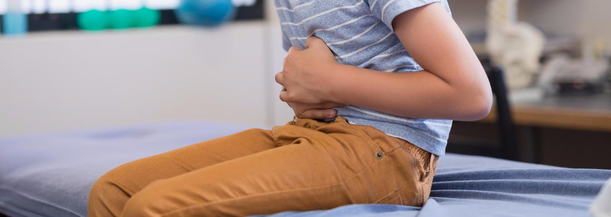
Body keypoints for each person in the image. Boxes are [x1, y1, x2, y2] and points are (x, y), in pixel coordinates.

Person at [88, 0, 492, 216]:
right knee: (115, 191)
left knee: (151, 208)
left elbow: (470, 95)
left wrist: (327, 83)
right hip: (309, 133)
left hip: (387, 148)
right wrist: (305, 92)